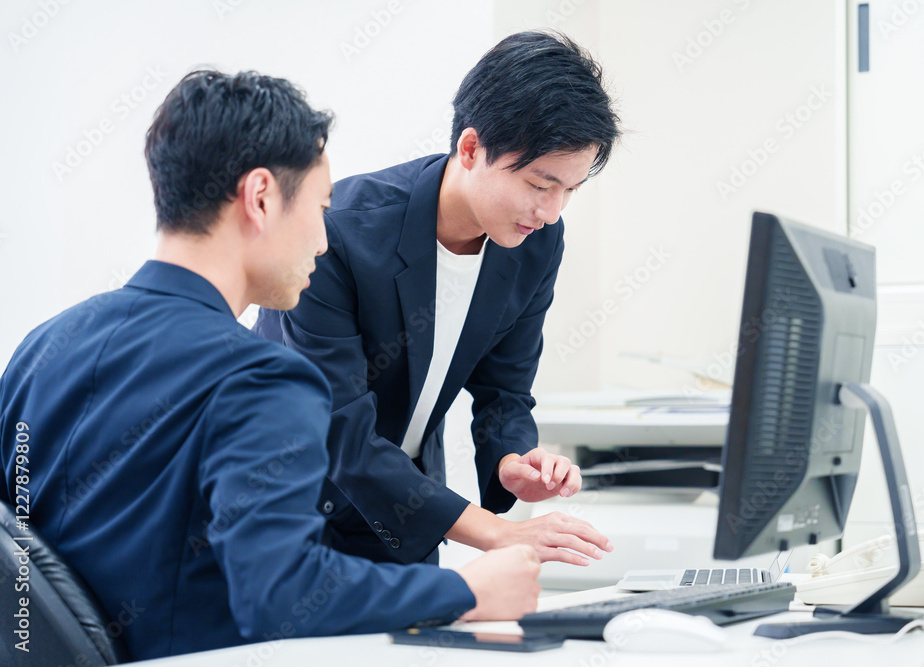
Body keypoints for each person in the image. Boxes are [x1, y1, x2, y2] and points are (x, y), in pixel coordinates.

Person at [0, 70, 540, 661]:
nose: (323, 241)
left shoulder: (41, 349)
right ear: (260, 197)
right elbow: (281, 594)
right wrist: (466, 592)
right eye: (320, 208)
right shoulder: (264, 380)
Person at [254, 31, 623, 567]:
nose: (551, 211)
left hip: (401, 515)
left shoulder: (536, 241)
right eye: (540, 185)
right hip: (286, 510)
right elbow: (340, 428)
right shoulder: (341, 232)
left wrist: (512, 460)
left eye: (569, 190)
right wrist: (497, 533)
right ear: (470, 149)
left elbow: (505, 389)